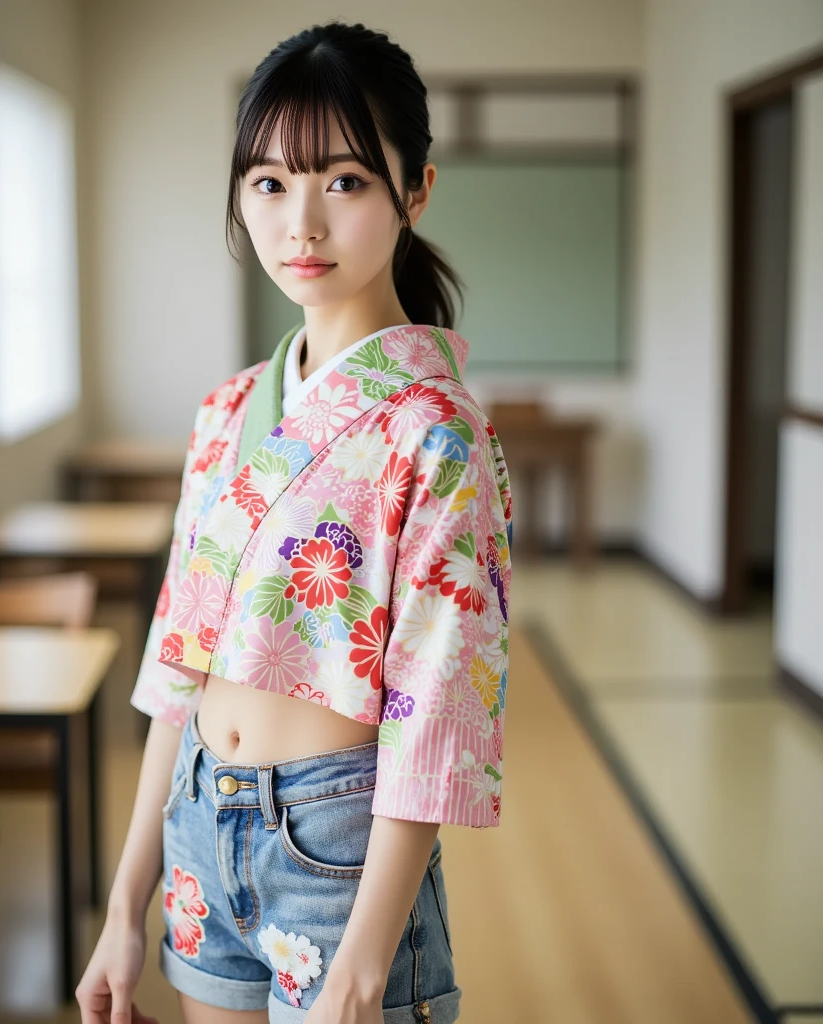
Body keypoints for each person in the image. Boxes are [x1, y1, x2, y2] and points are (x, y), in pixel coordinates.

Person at [77, 21, 513, 1024]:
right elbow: (177, 661)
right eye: (268, 183)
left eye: (345, 182)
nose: (300, 224)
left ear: (416, 192)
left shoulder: (438, 432)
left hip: (338, 853)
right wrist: (123, 901)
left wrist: (364, 966)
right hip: (197, 817)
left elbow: (437, 712)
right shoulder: (228, 409)